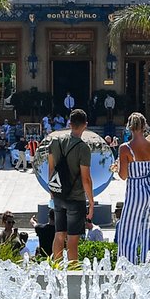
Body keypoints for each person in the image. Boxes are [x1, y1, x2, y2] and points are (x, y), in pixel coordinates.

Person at [47, 110, 95, 263]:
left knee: (59, 235)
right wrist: (91, 202)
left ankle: (56, 269)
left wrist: (52, 190)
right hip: (76, 198)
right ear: (85, 125)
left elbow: (51, 168)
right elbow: (86, 178)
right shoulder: (83, 148)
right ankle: (72, 276)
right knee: (73, 240)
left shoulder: (55, 142)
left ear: (69, 124)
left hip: (59, 195)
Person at [114, 112, 150, 265]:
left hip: (136, 192)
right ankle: (149, 266)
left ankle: (127, 268)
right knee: (149, 233)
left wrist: (117, 168)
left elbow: (123, 176)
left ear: (130, 127)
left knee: (127, 231)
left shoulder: (125, 148)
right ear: (144, 127)